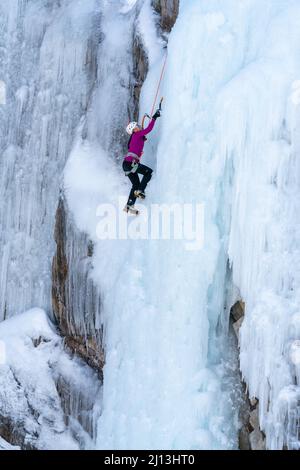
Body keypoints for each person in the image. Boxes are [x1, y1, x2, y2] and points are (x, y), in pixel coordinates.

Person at [123, 108, 161, 214]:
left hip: (127, 165)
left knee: (135, 184)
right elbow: (148, 129)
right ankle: (140, 191)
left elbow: (135, 147)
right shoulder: (136, 134)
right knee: (148, 172)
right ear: (134, 129)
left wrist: (142, 139)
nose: (139, 127)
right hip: (130, 164)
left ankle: (129, 205)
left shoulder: (135, 138)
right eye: (137, 126)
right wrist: (154, 117)